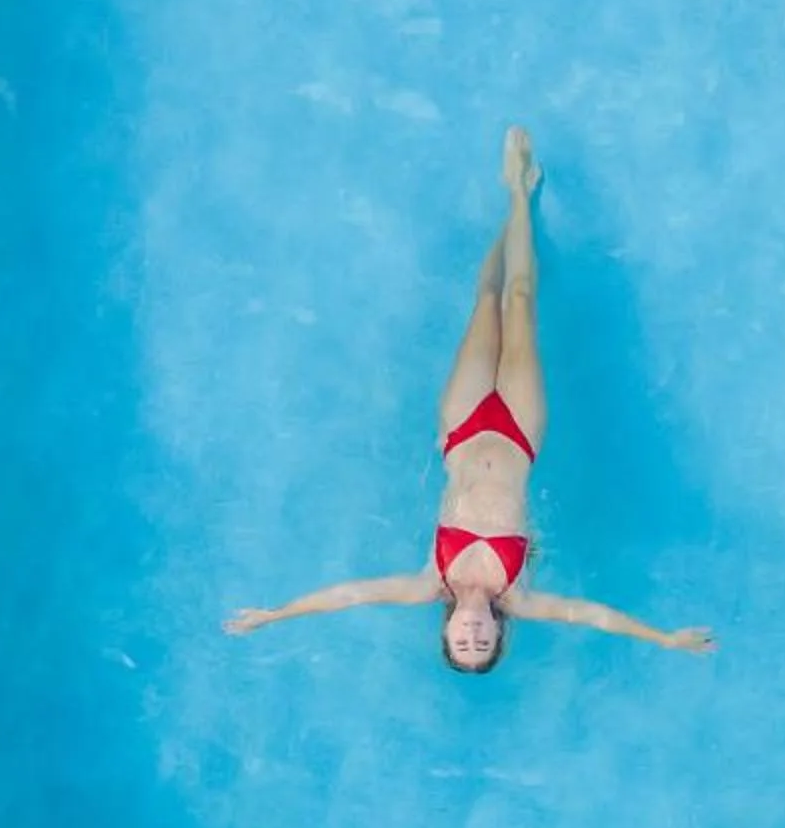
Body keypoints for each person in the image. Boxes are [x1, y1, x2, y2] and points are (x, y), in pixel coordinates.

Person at [225, 127, 716, 673]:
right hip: (517, 431)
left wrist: (275, 615)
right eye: (483, 644)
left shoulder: (428, 582)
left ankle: (513, 222)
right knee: (521, 301)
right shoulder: (519, 596)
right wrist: (665, 639)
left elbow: (349, 595)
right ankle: (519, 196)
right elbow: (590, 615)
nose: (474, 634)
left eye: (463, 642)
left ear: (449, 630)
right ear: (498, 636)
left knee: (486, 302)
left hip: (461, 428)